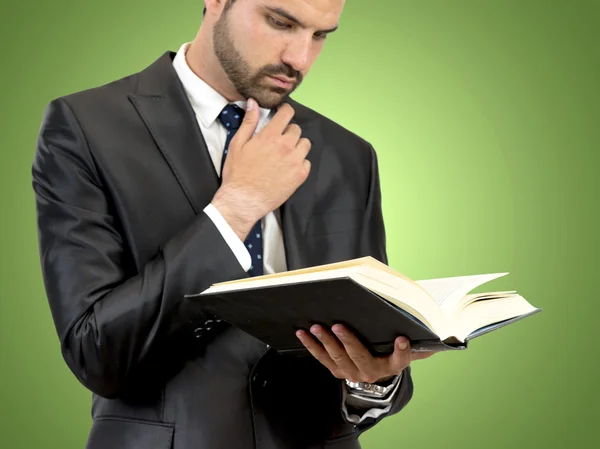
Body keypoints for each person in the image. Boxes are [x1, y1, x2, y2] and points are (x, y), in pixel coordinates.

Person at [32, 0, 433, 448]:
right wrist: (235, 209)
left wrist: (373, 383)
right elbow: (96, 354)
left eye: (320, 36)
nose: (299, 59)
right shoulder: (86, 126)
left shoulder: (348, 154)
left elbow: (375, 348)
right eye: (281, 22)